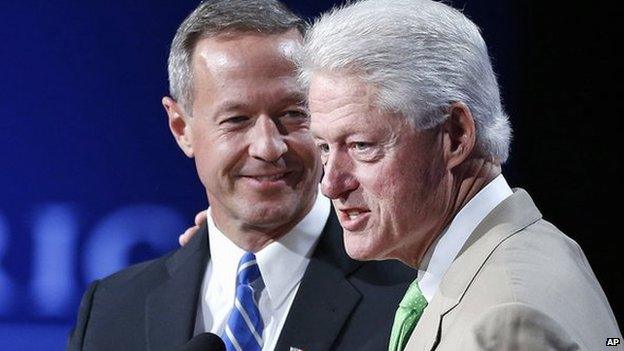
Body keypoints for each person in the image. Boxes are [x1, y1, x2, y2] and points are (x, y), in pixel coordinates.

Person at [66, 1, 415, 350]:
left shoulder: (411, 292)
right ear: (181, 127)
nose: (268, 146)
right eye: (237, 119)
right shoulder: (112, 311)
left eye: (294, 114)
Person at [296, 0, 622, 350]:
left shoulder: (508, 318)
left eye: (361, 146)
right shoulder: (520, 253)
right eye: (325, 148)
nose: (331, 185)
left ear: (455, 135)